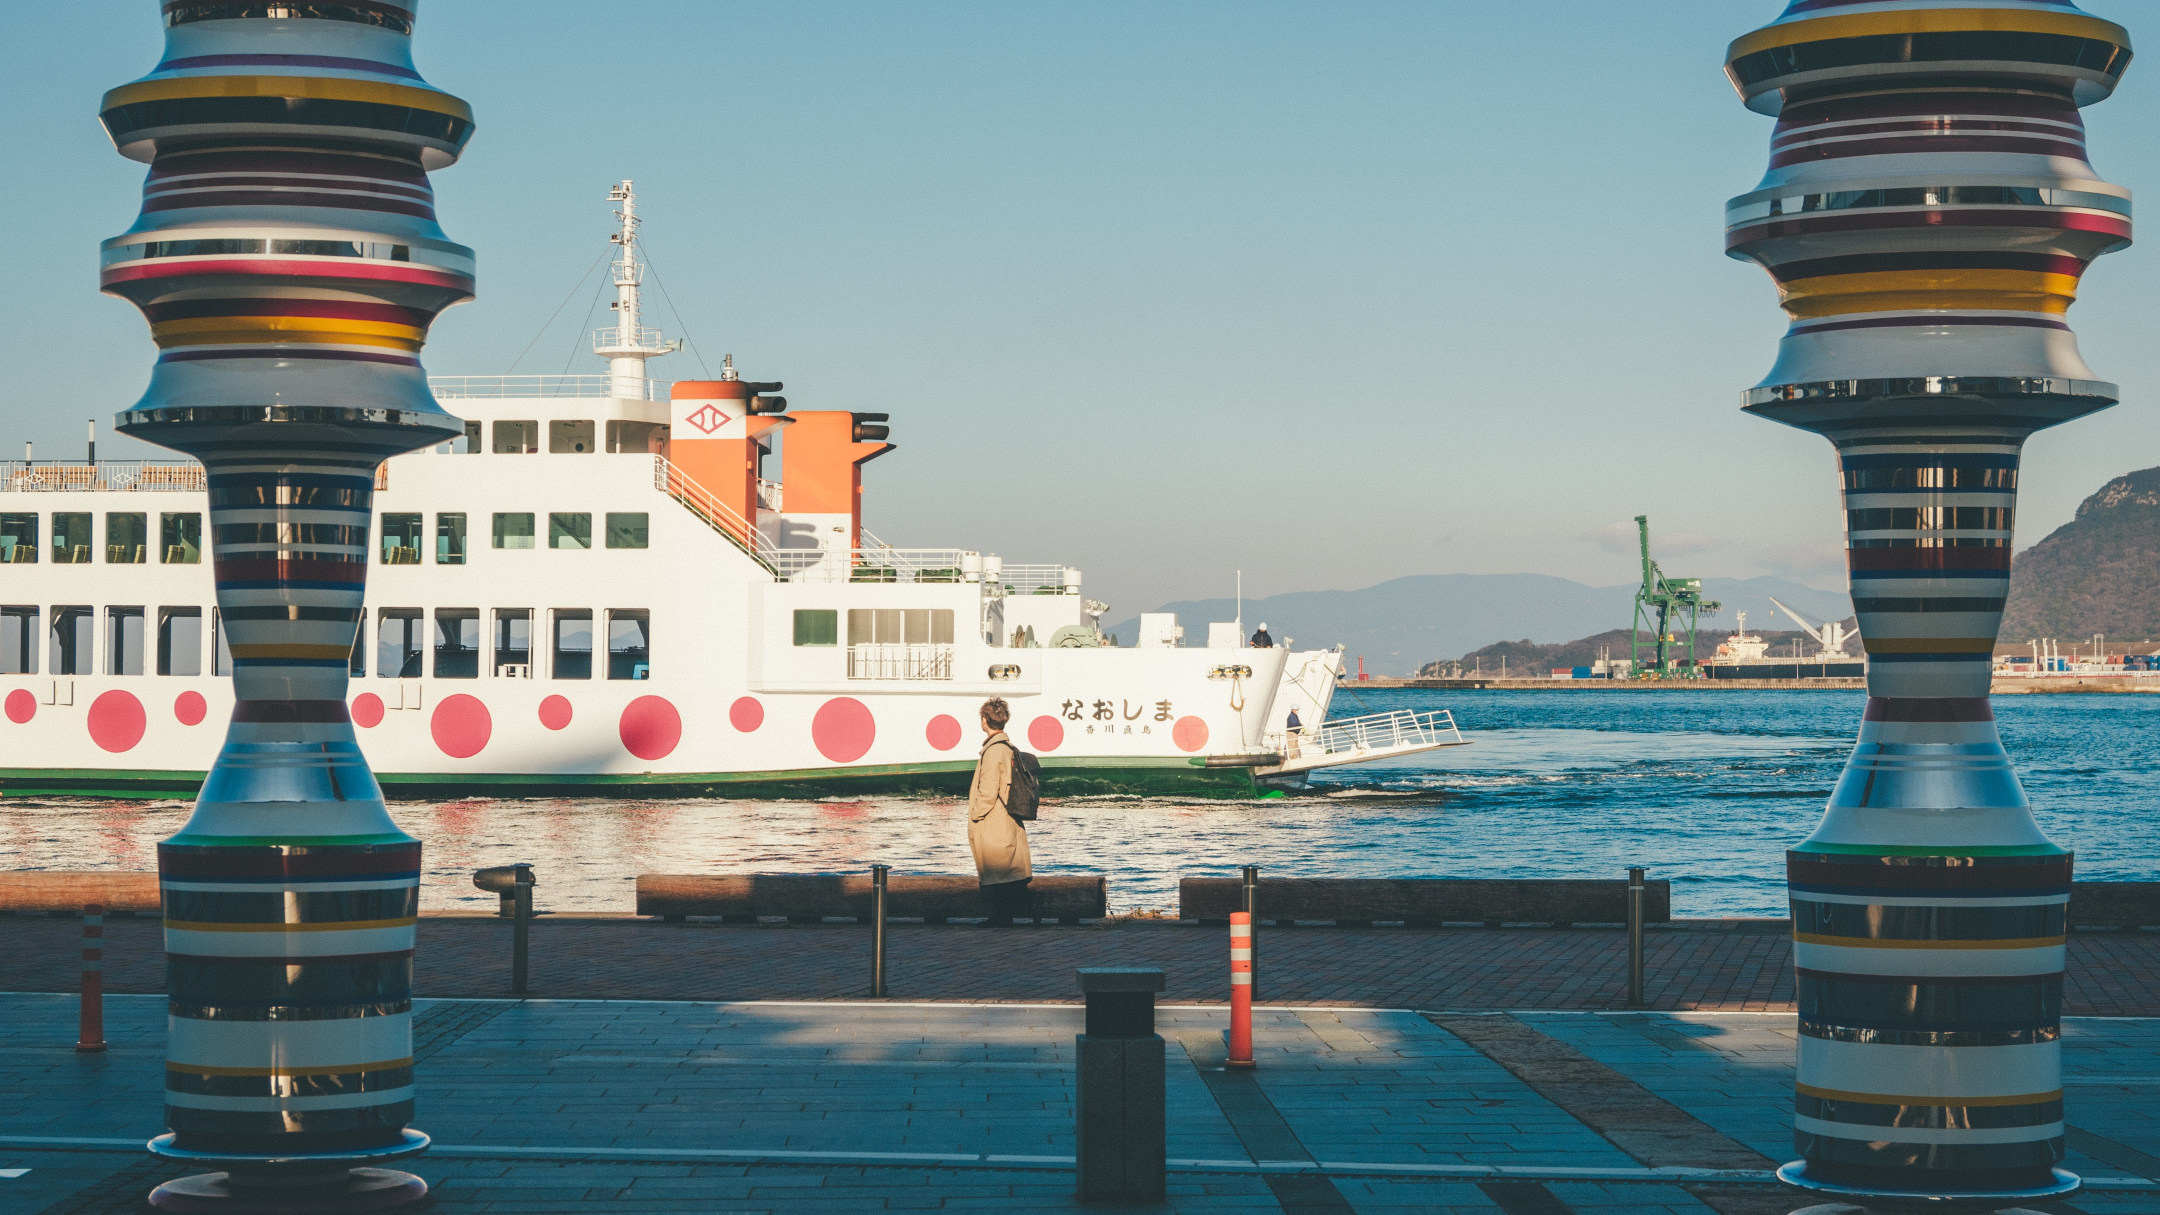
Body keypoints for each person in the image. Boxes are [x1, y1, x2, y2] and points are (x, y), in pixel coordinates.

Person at [967, 697, 1032, 917]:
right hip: (1006, 817)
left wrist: (975, 814)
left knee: (998, 872)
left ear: (984, 720)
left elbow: (988, 790)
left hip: (994, 820)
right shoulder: (1007, 747)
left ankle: (1000, 918)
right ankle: (1006, 917)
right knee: (1008, 870)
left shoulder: (993, 750)